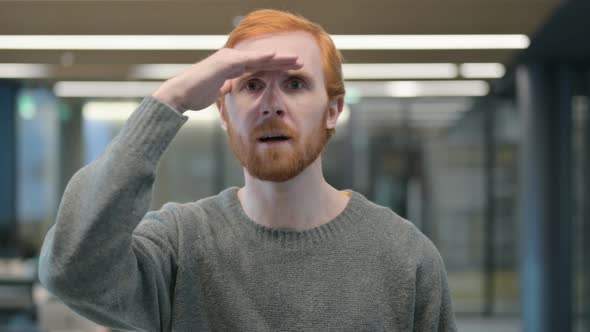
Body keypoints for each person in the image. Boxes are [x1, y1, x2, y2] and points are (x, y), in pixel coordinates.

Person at [38, 8, 457, 332]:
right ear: (223, 111)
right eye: (251, 85)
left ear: (333, 111)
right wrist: (171, 100)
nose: (272, 104)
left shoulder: (405, 258)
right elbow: (70, 270)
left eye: (295, 84)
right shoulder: (178, 245)